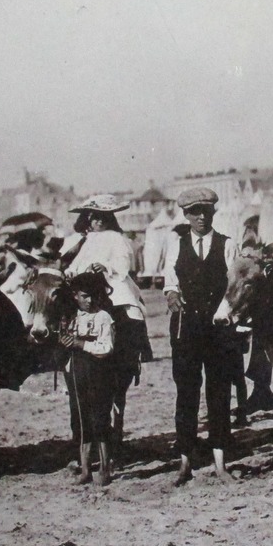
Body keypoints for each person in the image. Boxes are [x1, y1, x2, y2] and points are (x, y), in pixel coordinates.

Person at [162, 186, 239, 483]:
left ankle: (220, 462)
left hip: (218, 330)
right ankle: (185, 461)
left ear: (213, 213)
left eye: (205, 212)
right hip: (186, 329)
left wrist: (226, 313)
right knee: (187, 394)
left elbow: (234, 288)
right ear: (185, 215)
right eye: (194, 213)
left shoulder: (227, 244)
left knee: (219, 393)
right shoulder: (176, 244)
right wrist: (171, 295)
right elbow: (170, 282)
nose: (201, 218)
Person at [62, 194, 154, 383]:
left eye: (104, 217)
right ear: (89, 219)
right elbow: (78, 261)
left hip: (110, 280)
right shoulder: (87, 240)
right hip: (85, 280)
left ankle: (133, 352)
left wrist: (105, 267)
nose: (99, 221)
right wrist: (71, 271)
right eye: (95, 217)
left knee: (129, 308)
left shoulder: (115, 237)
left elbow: (123, 262)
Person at [61, 270, 117, 486]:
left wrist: (79, 344)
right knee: (80, 420)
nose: (89, 300)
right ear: (75, 295)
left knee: (100, 420)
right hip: (77, 374)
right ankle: (85, 470)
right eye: (84, 296)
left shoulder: (103, 317)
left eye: (93, 295)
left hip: (99, 373)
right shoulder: (71, 316)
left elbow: (106, 348)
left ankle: (104, 468)